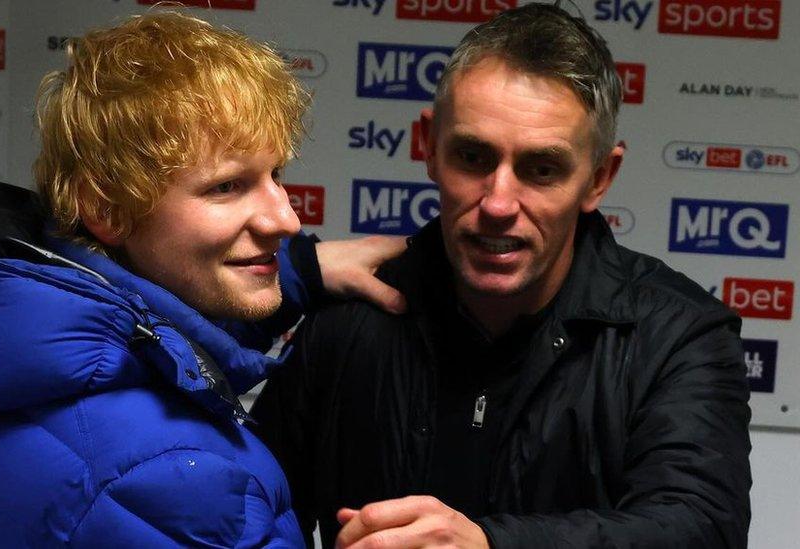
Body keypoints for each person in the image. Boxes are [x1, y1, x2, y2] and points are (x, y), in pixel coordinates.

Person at [0, 12, 402, 548]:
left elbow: (154, 338)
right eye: (227, 187)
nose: (286, 218)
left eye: (275, 175)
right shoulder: (179, 488)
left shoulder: (6, 352)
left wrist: (302, 271)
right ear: (108, 209)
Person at [251, 4, 752, 548]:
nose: (498, 203)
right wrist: (297, 274)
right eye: (472, 156)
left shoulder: (676, 335)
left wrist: (490, 547)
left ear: (599, 178)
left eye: (542, 169)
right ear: (429, 148)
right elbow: (252, 507)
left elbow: (701, 528)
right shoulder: (349, 314)